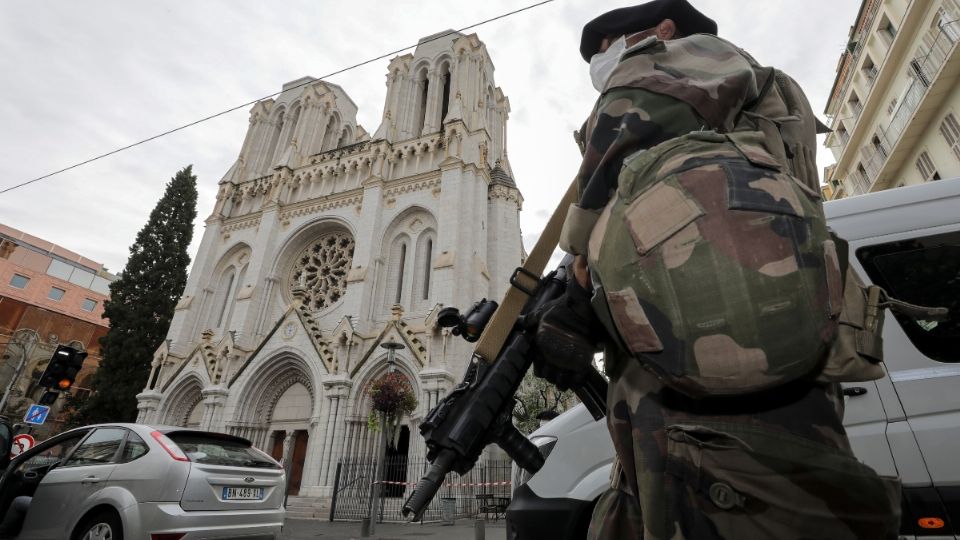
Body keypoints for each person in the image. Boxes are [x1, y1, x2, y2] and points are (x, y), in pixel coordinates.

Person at [532, 1, 902, 538]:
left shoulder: (683, 60)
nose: (601, 63)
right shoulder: (760, 89)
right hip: (770, 355)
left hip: (710, 364)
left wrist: (572, 287)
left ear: (659, 30)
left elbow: (595, 211)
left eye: (606, 48)